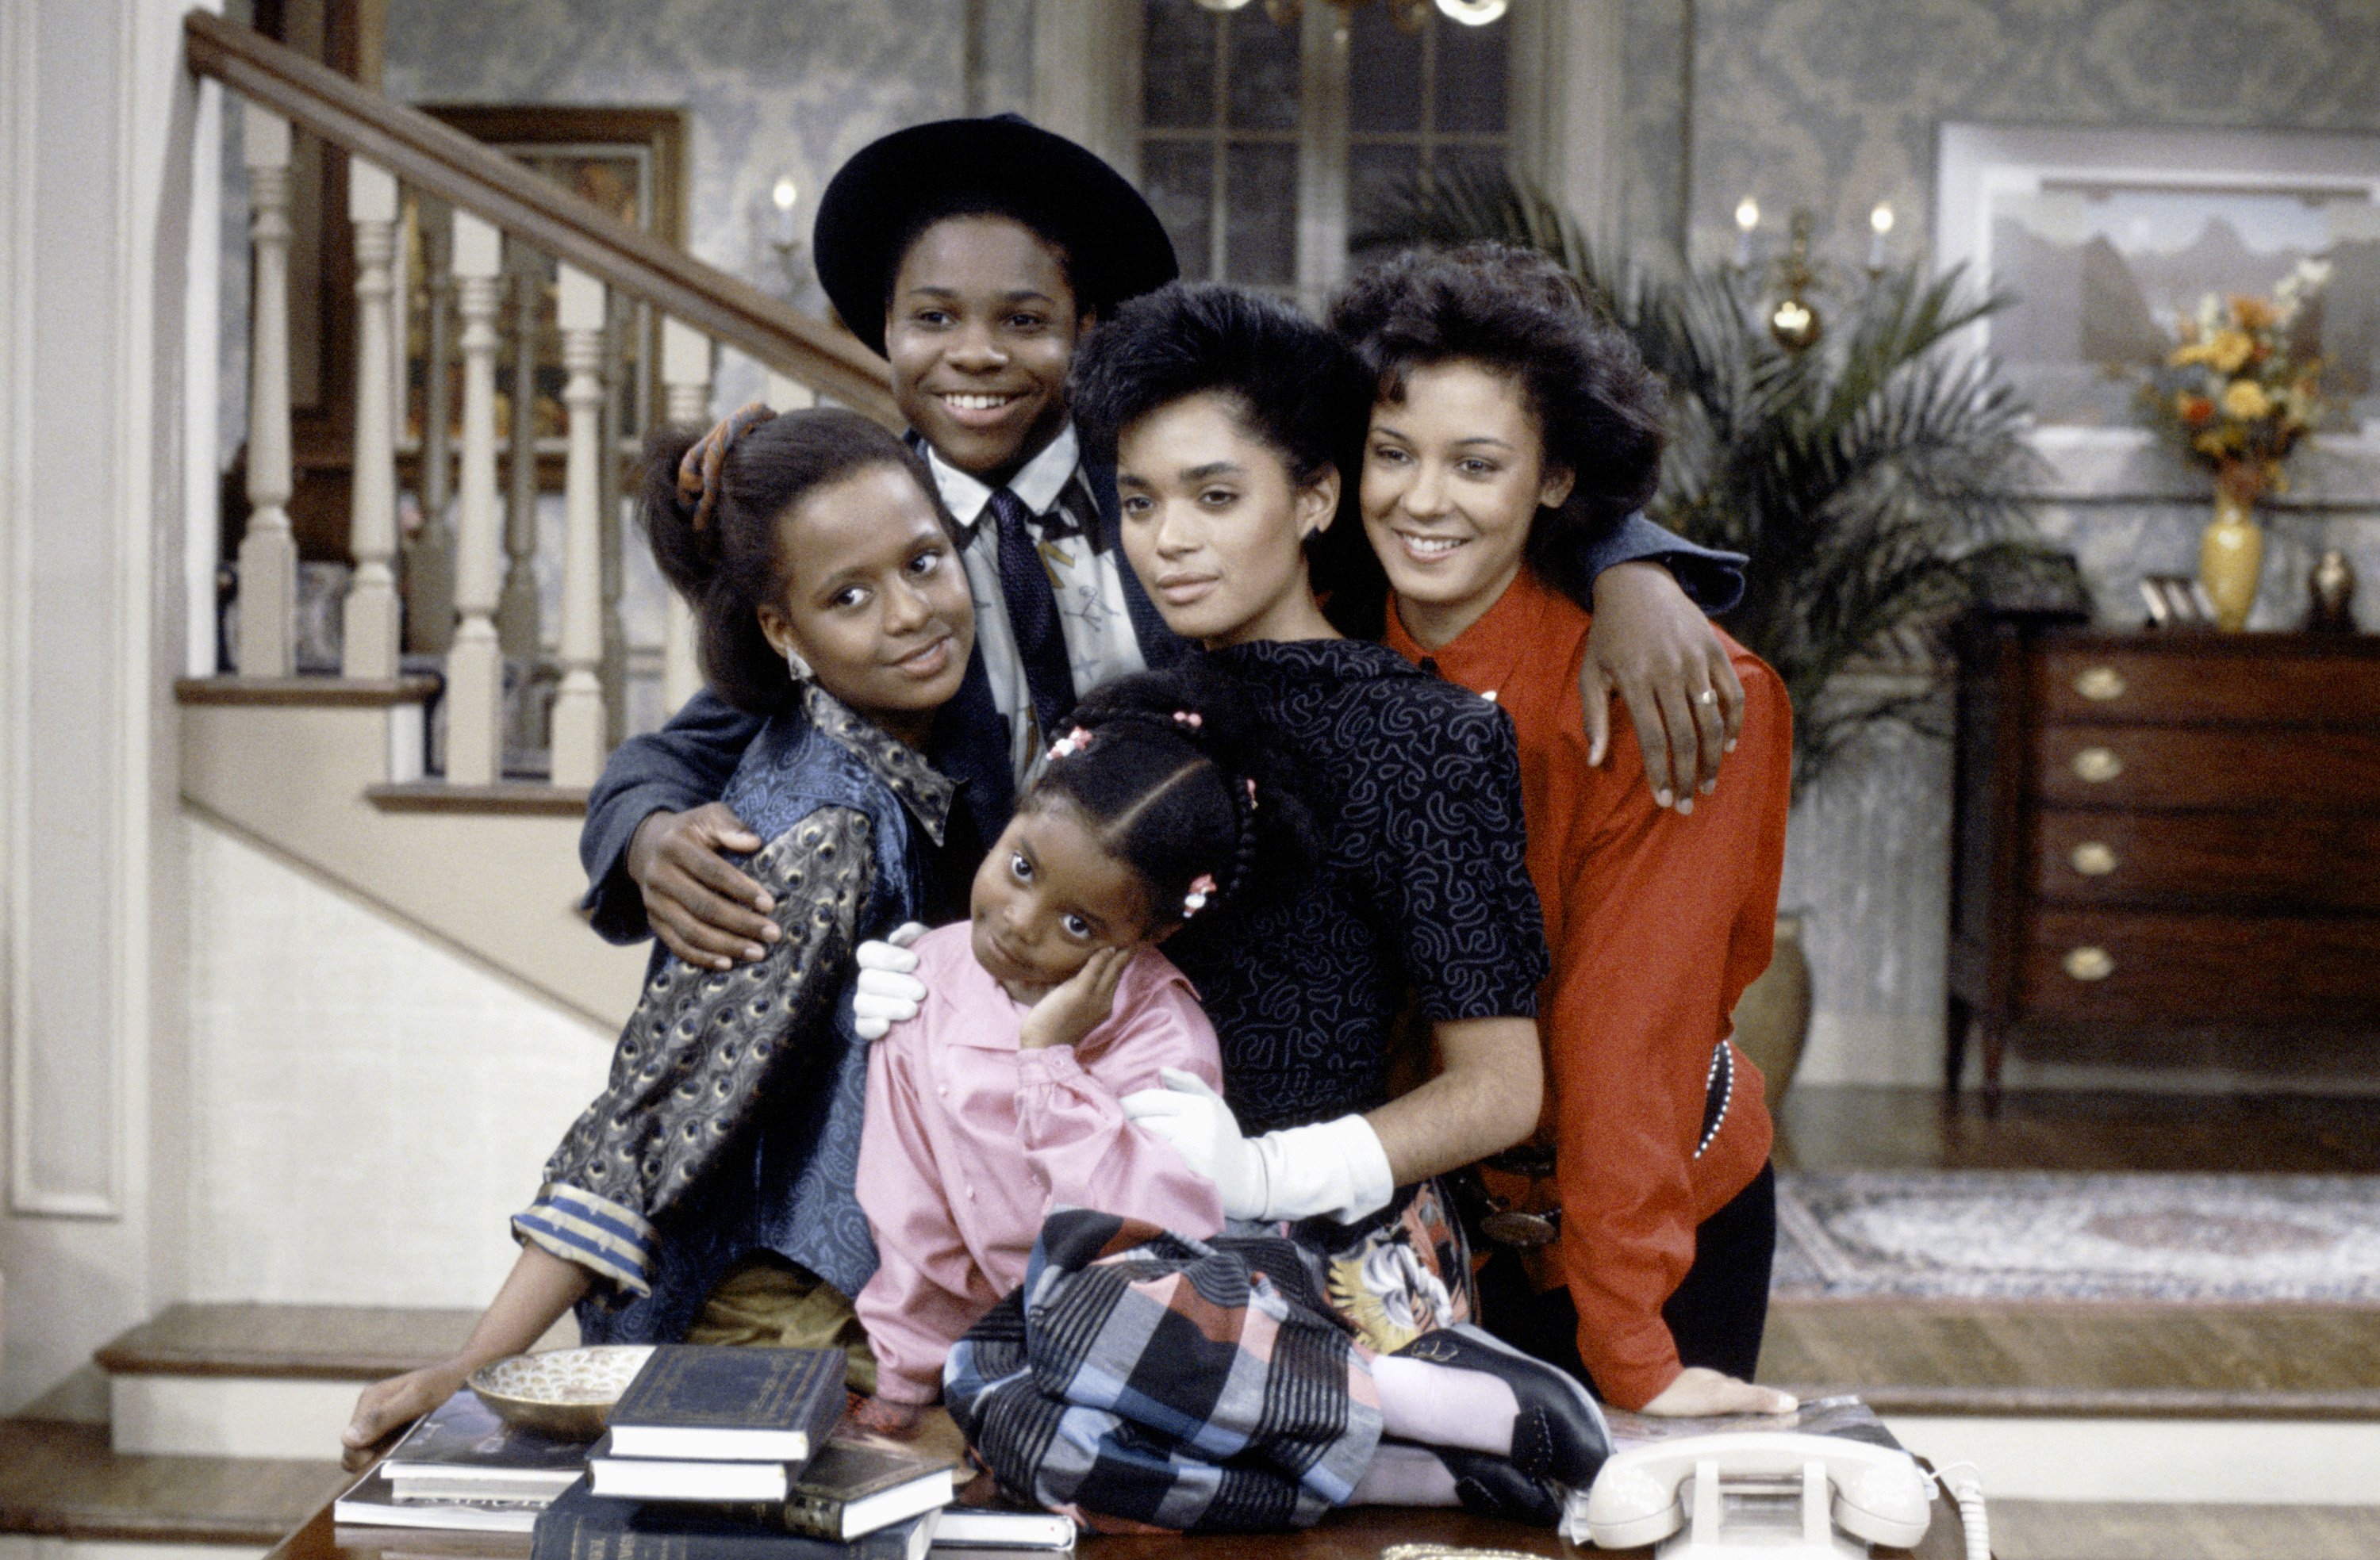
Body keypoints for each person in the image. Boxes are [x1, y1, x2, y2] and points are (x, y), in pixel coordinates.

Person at [580, 116, 1752, 987]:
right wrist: (642, 830)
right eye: (933, 319)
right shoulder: (870, 549)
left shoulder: (1188, 505)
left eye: (1024, 321)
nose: (975, 355)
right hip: (972, 1014)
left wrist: (1629, 559)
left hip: (1223, 998)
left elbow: (1435, 484)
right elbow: (698, 737)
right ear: (882, 332)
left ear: (1084, 331)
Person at [942, 282, 1611, 1531]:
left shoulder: (1432, 738)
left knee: (1108, 1375)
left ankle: (1421, 1413)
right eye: (1138, 502)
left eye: (1214, 495)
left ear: (1313, 498)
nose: (1167, 540)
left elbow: (1500, 1089)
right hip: (1144, 1239)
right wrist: (934, 982)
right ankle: (1402, 1444)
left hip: (1337, 1253)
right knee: (996, 1387)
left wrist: (1265, 1171)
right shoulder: (1116, 724)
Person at [338, 406, 974, 1464]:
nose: (910, 612)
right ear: (784, 631)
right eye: (850, 595)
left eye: (926, 562)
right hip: (780, 1331)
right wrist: (480, 1359)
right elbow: (650, 1116)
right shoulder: (817, 831)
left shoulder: (879, 758)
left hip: (856, 1308)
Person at [1332, 244, 1797, 1417]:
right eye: (1392, 454)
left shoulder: (1677, 695)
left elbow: (1628, 1034)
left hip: (1648, 1229)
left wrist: (1632, 1343)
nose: (1421, 499)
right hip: (1417, 1227)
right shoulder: (1322, 645)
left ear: (1554, 480)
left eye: (1475, 464)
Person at [854, 665, 1318, 1420]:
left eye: (1079, 925)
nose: (1019, 921)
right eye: (1022, 866)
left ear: (1151, 934)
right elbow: (909, 1215)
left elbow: (1137, 1258)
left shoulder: (1164, 1040)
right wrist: (906, 1387)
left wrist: (1048, 1060)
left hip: (1145, 1356)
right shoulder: (926, 981)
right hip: (1000, 1363)